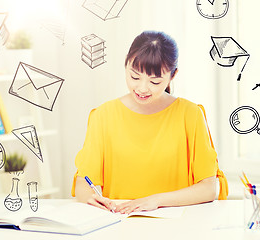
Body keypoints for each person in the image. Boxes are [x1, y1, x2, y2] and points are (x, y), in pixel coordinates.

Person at [71, 31, 228, 214]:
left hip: (178, 226)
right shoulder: (103, 115)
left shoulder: (191, 115)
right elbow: (84, 183)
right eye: (135, 77)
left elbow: (208, 188)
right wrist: (91, 197)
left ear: (173, 75)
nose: (142, 88)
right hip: (118, 222)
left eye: (155, 81)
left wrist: (156, 200)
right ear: (126, 65)